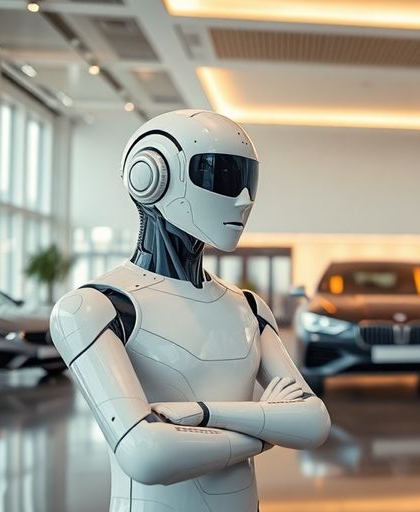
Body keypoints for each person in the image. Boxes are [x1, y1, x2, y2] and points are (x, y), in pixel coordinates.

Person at [49, 110, 330, 511]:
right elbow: (145, 454)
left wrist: (199, 415)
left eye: (248, 179)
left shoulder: (249, 308)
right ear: (153, 175)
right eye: (222, 176)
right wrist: (266, 423)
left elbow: (314, 422)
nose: (244, 198)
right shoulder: (96, 307)